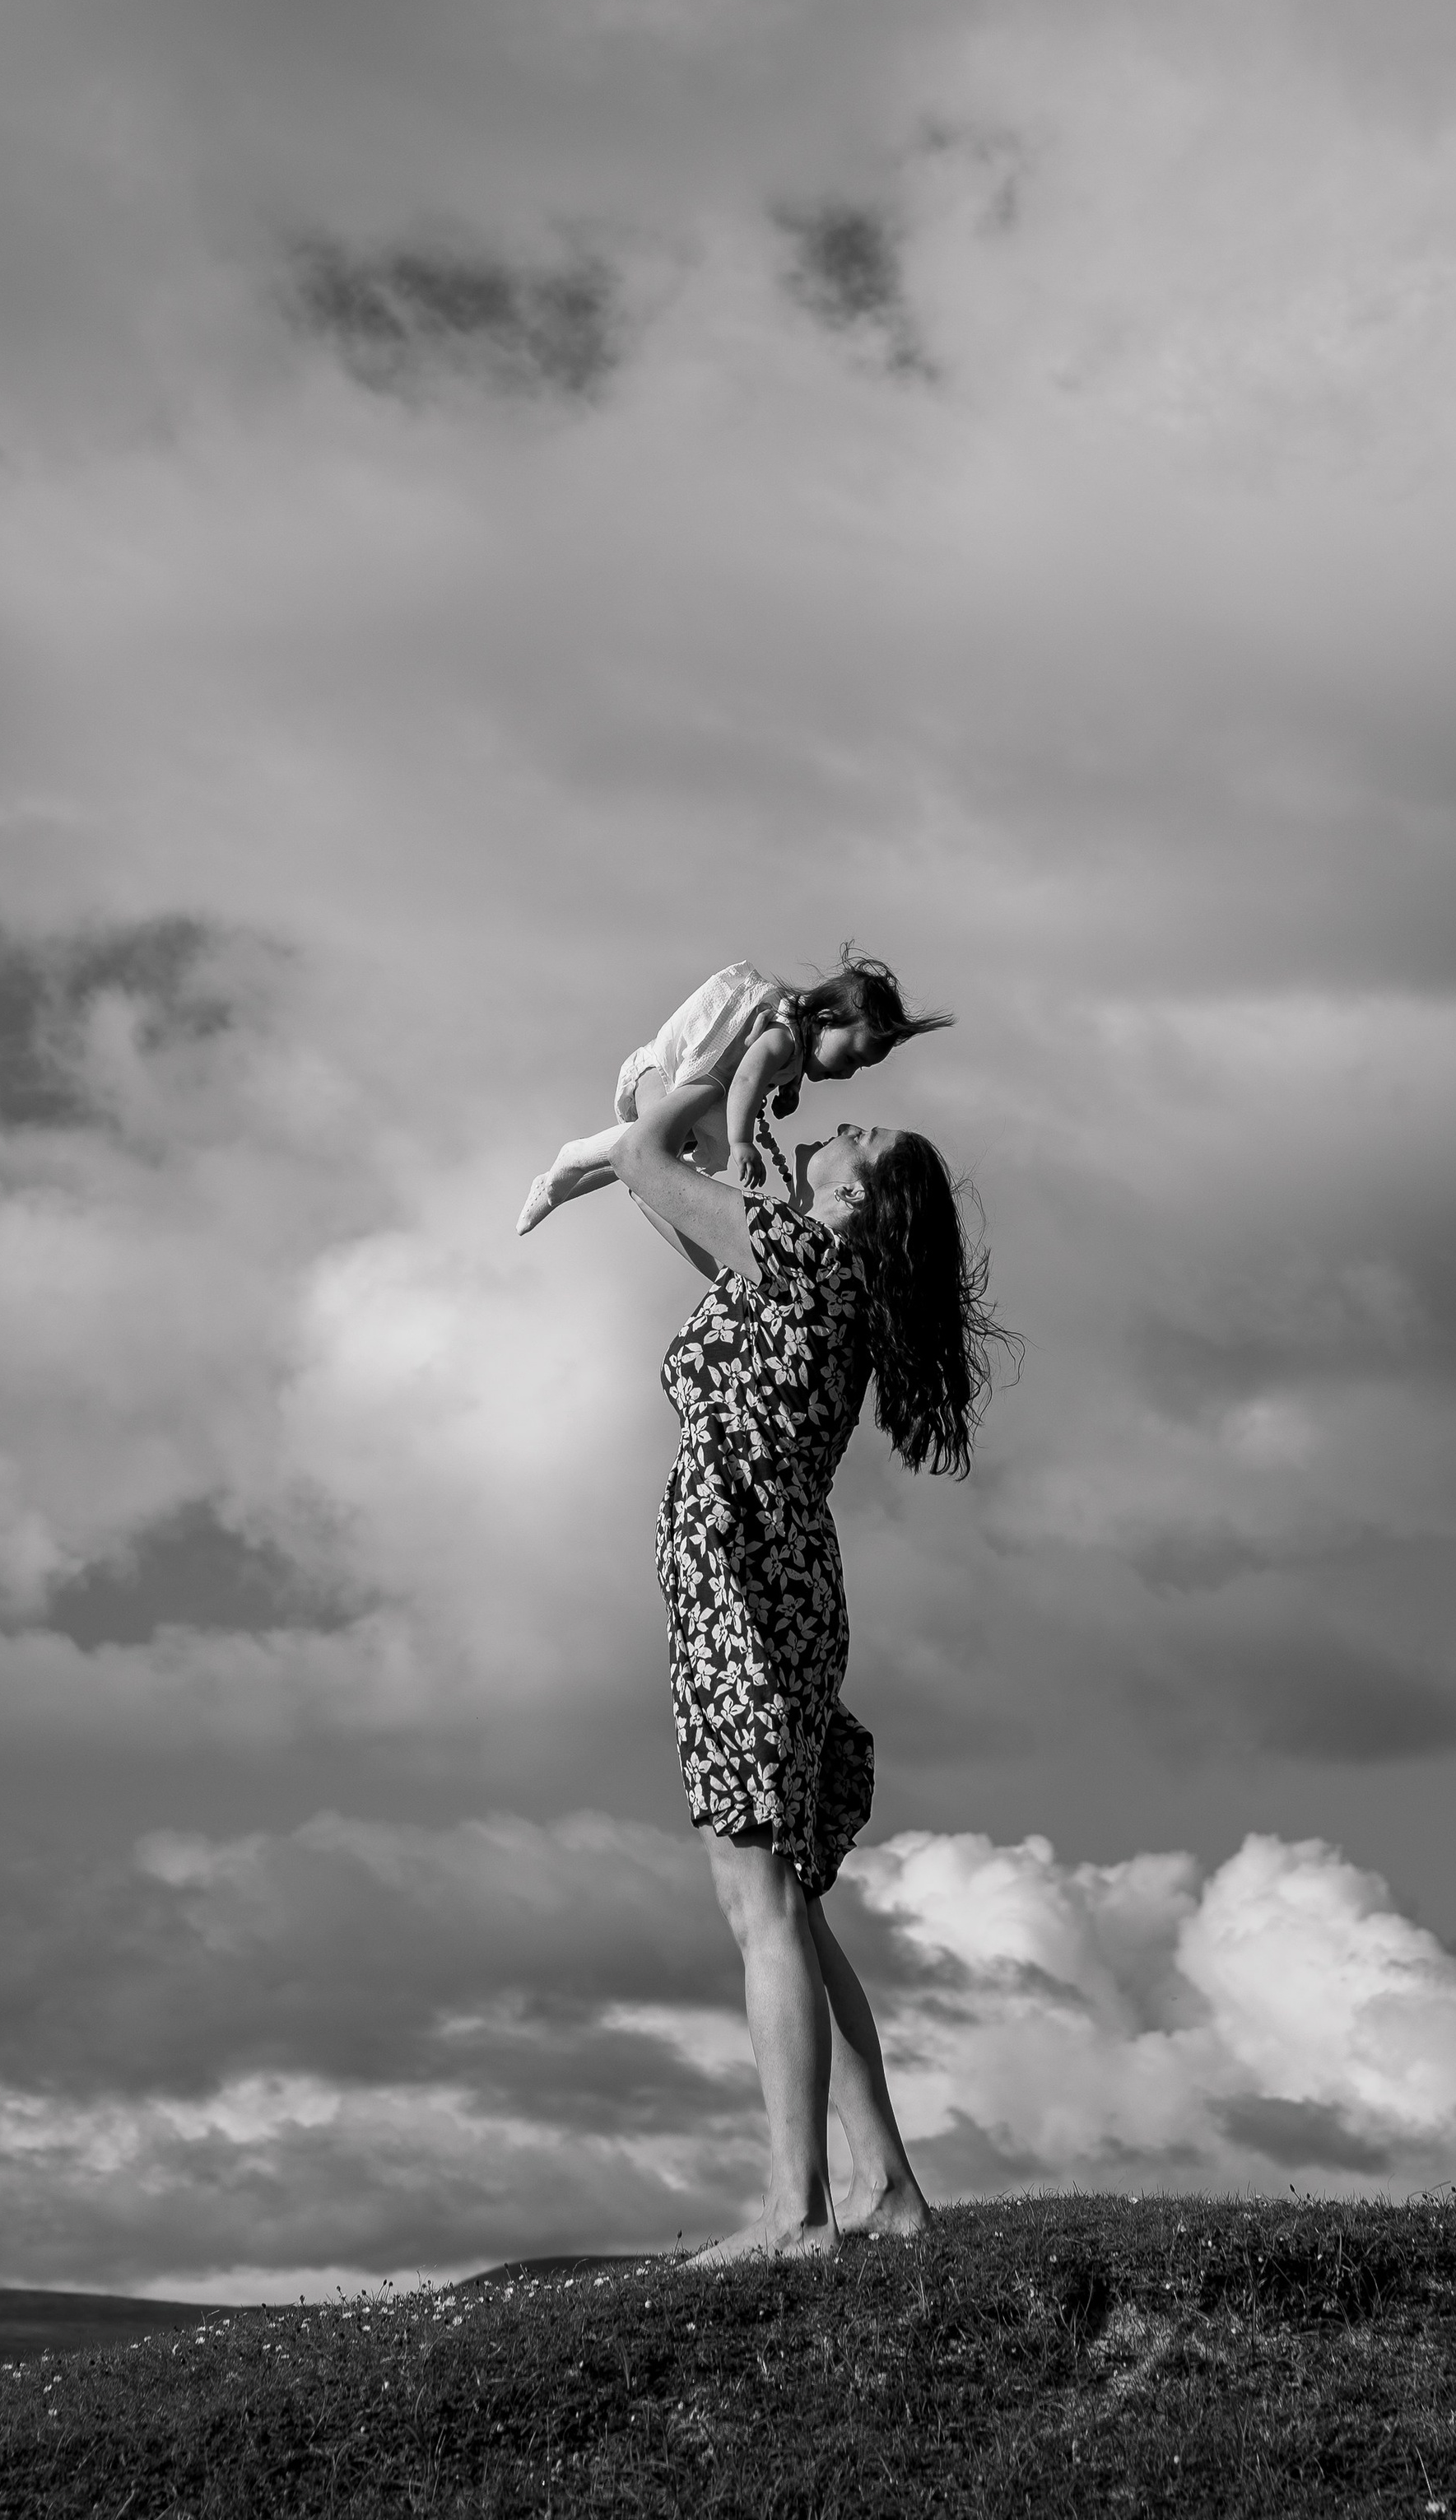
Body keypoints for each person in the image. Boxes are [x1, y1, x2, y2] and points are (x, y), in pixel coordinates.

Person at [611, 1082, 1013, 2264]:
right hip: (766, 1571)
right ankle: (885, 2185)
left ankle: (796, 2214)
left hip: (746, 1574)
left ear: (857, 1197)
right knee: (783, 1893)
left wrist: (738, 1045)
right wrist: (725, 1139)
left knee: (761, 1898)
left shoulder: (804, 1260)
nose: (836, 1127)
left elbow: (642, 1155)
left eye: (857, 1136)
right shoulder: (800, 1266)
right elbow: (668, 1199)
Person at [517, 950, 950, 1238]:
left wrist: (791, 1090)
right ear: (823, 1019)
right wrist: (742, 1142)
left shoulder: (796, 1047)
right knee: (652, 1153)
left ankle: (558, 1188)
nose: (848, 1073)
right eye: (851, 1057)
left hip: (688, 1084)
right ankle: (571, 1159)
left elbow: (776, 1073)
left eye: (859, 1068)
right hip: (671, 1072)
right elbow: (744, 1080)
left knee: (653, 1162)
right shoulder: (782, 1037)